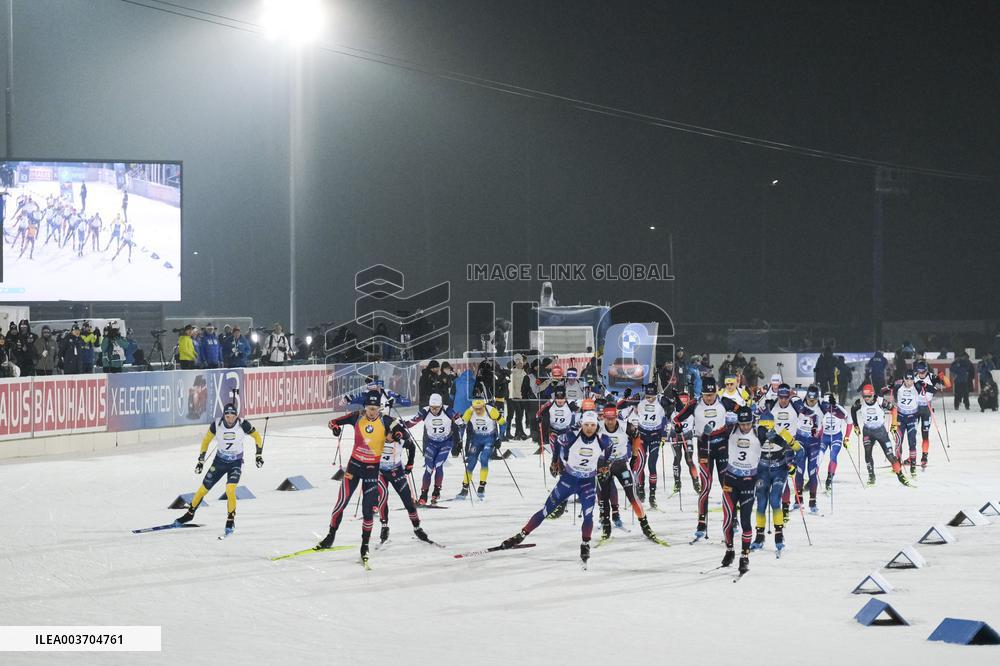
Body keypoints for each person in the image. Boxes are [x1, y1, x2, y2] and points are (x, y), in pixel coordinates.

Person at [498, 411, 613, 568]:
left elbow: (609, 451)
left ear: (597, 426)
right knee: (546, 510)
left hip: (587, 482)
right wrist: (555, 461)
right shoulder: (572, 436)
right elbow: (557, 442)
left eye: (592, 425)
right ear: (582, 424)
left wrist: (605, 465)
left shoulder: (604, 440)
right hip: (568, 480)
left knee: (588, 515)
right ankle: (521, 535)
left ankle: (585, 543)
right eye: (586, 425)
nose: (589, 428)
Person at [319, 392, 409, 565]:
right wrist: (335, 429)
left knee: (368, 511)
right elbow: (333, 422)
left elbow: (403, 433)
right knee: (341, 502)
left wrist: (396, 435)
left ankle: (364, 545)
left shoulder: (386, 420)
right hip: (354, 467)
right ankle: (330, 536)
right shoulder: (357, 417)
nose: (372, 412)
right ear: (365, 407)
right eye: (369, 409)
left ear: (379, 408)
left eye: (375, 409)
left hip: (371, 470)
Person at [722, 407, 796, 573]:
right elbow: (723, 406)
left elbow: (787, 444)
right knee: (727, 520)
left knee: (747, 519)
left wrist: (788, 455)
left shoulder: (759, 432)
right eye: (743, 424)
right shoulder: (732, 428)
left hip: (749, 480)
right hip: (731, 479)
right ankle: (730, 550)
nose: (745, 427)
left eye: (748, 423)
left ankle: (745, 556)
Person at [173, 403, 264, 537]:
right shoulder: (216, 425)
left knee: (230, 490)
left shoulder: (243, 424)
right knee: (203, 489)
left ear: (236, 415)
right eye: (227, 416)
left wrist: (258, 455)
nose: (229, 419)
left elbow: (257, 436)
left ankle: (230, 520)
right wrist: (201, 460)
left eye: (232, 416)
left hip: (236, 462)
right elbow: (206, 441)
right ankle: (189, 514)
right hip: (219, 462)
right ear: (224, 415)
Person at [672, 377, 740, 541]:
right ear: (701, 393)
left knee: (727, 486)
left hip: (723, 448)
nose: (708, 398)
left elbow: (744, 412)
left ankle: (734, 520)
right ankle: (701, 523)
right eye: (706, 395)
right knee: (706, 487)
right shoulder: (694, 404)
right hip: (704, 448)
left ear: (716, 392)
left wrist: (736, 426)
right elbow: (676, 418)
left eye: (711, 394)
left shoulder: (725, 401)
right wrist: (677, 425)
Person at [596, 403, 665, 543]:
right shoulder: (597, 426)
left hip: (621, 463)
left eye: (612, 418)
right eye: (607, 418)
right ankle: (607, 527)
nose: (610, 421)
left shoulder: (624, 425)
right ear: (604, 417)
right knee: (603, 495)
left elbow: (637, 437)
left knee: (632, 495)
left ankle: (645, 526)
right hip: (603, 464)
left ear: (616, 416)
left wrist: (634, 456)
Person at [374, 411, 433, 547]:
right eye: (390, 434)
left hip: (396, 471)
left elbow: (411, 446)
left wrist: (410, 463)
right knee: (382, 496)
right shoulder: (378, 437)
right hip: (380, 472)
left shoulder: (400, 438)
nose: (392, 437)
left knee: (408, 500)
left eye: (394, 434)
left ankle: (417, 527)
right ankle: (384, 526)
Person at [405, 393, 464, 505]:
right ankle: (423, 494)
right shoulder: (425, 411)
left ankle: (436, 491)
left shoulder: (448, 410)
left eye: (437, 408)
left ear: (441, 406)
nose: (434, 410)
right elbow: (412, 422)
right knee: (428, 467)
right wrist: (402, 425)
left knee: (438, 465)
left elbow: (459, 422)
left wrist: (460, 432)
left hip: (446, 442)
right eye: (432, 407)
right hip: (431, 443)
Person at [850, 384, 911, 486]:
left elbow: (894, 409)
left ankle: (901, 476)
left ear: (873, 395)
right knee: (868, 453)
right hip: (868, 431)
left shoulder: (880, 401)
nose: (867, 399)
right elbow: (853, 410)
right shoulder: (861, 402)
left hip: (881, 432)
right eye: (865, 397)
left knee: (890, 455)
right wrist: (856, 425)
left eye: (869, 396)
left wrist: (894, 424)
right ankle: (871, 476)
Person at [626, 383, 672, 508]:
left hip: (655, 436)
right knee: (640, 464)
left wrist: (664, 433)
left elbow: (668, 415)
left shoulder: (661, 401)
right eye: (648, 396)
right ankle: (641, 490)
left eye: (652, 397)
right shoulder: (640, 398)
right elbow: (624, 404)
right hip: (641, 436)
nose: (649, 399)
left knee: (652, 465)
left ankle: (652, 494)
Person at [458, 398, 505, 499]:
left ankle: (482, 486)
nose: (478, 411)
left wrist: (499, 438)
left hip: (489, 438)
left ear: (484, 406)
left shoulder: (491, 410)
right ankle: (465, 488)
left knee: (484, 458)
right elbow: (462, 426)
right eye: (476, 409)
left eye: (480, 408)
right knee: (471, 462)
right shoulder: (470, 411)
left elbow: (503, 423)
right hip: (476, 438)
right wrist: (460, 439)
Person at [668, 390, 700, 493]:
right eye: (682, 402)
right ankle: (677, 483)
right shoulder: (673, 412)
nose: (684, 405)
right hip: (676, 436)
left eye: (686, 402)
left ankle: (696, 483)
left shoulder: (692, 410)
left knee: (689, 460)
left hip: (687, 436)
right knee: (677, 459)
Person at [913, 361, 943, 469]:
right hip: (915, 408)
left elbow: (941, 388)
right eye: (919, 372)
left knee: (925, 433)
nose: (921, 374)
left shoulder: (931, 377)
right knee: (912, 433)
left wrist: (942, 377)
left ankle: (924, 457)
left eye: (923, 372)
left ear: (926, 371)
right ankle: (912, 456)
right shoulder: (913, 377)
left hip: (927, 408)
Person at [892, 371, 922, 477]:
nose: (909, 382)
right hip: (900, 417)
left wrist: (926, 385)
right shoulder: (898, 385)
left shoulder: (917, 386)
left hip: (912, 418)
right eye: (907, 380)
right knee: (898, 442)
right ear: (903, 379)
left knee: (912, 442)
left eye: (911, 380)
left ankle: (913, 466)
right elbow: (883, 390)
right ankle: (897, 464)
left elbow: (932, 390)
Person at [819, 393, 851, 491]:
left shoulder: (839, 409)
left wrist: (846, 437)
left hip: (836, 437)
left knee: (833, 455)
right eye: (825, 404)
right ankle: (813, 478)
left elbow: (849, 422)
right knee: (818, 457)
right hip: (824, 437)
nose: (827, 407)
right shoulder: (821, 410)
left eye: (828, 404)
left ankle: (829, 479)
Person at [507, 354, 530, 440]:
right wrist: (512, 396)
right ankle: (520, 433)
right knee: (519, 414)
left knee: (520, 415)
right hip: (515, 397)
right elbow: (511, 385)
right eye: (518, 362)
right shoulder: (512, 372)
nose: (520, 364)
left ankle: (518, 433)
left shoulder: (524, 372)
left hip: (522, 397)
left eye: (521, 362)